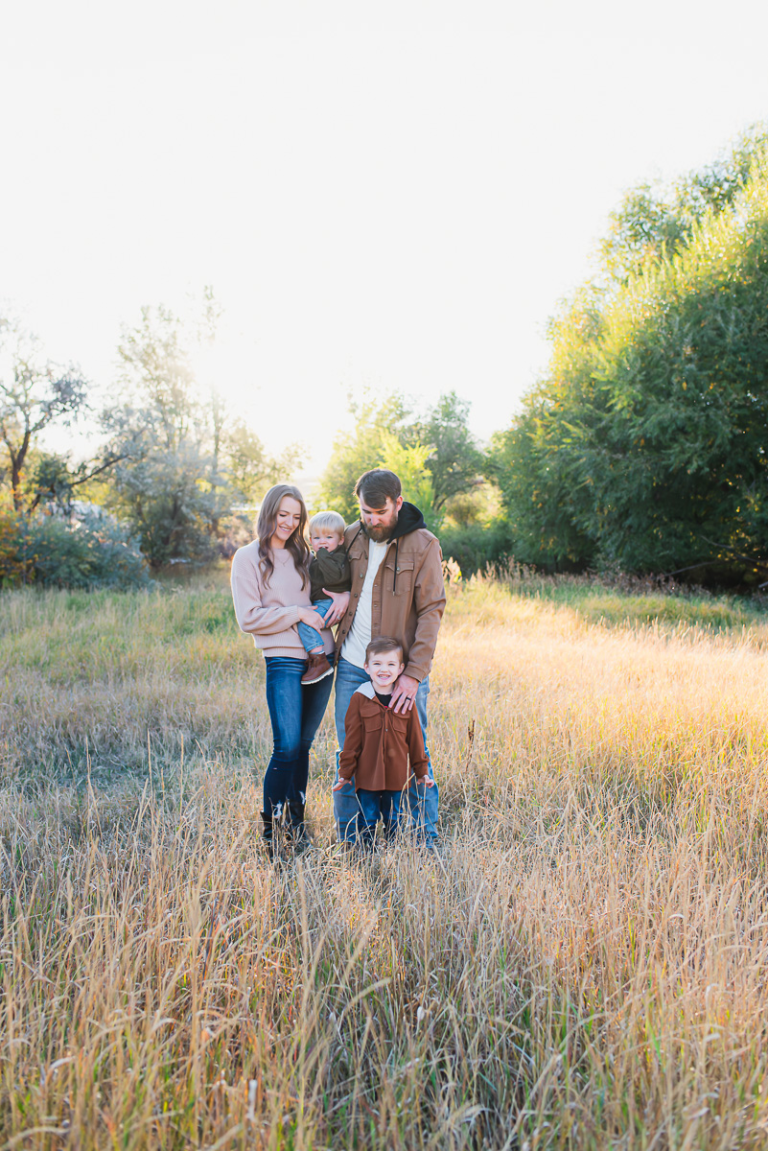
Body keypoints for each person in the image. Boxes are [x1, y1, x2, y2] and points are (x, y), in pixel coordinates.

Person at [327, 468, 446, 846]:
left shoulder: (424, 544)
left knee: (411, 750)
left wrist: (413, 674)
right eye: (366, 512)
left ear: (398, 502)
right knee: (351, 750)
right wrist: (337, 593)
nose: (372, 520)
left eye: (380, 512)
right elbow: (322, 576)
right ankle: (352, 838)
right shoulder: (349, 536)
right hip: (351, 667)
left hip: (400, 673)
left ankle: (422, 838)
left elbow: (432, 610)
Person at [230, 484, 345, 856]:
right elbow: (249, 618)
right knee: (287, 746)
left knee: (305, 746)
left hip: (322, 659)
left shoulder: (304, 554)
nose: (289, 523)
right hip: (282, 658)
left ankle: (296, 825)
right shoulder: (248, 558)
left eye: (296, 517)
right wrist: (296, 613)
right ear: (269, 512)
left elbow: (329, 589)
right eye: (283, 514)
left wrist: (342, 596)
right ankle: (271, 832)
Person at [332, 637, 433, 848]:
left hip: (396, 779)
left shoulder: (405, 700)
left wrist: (422, 771)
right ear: (366, 667)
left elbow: (415, 739)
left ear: (401, 668)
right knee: (367, 820)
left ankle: (393, 857)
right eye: (377, 664)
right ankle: (367, 857)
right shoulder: (360, 698)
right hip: (367, 778)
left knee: (394, 819)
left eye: (390, 664)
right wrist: (345, 773)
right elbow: (351, 741)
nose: (383, 670)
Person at [296, 510, 351, 686]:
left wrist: (322, 554)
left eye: (329, 537)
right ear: (310, 540)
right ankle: (316, 657)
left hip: (330, 603)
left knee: (307, 622)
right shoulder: (317, 558)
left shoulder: (339, 557)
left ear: (340, 540)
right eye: (317, 538)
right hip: (321, 602)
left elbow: (334, 577)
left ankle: (319, 660)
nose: (323, 542)